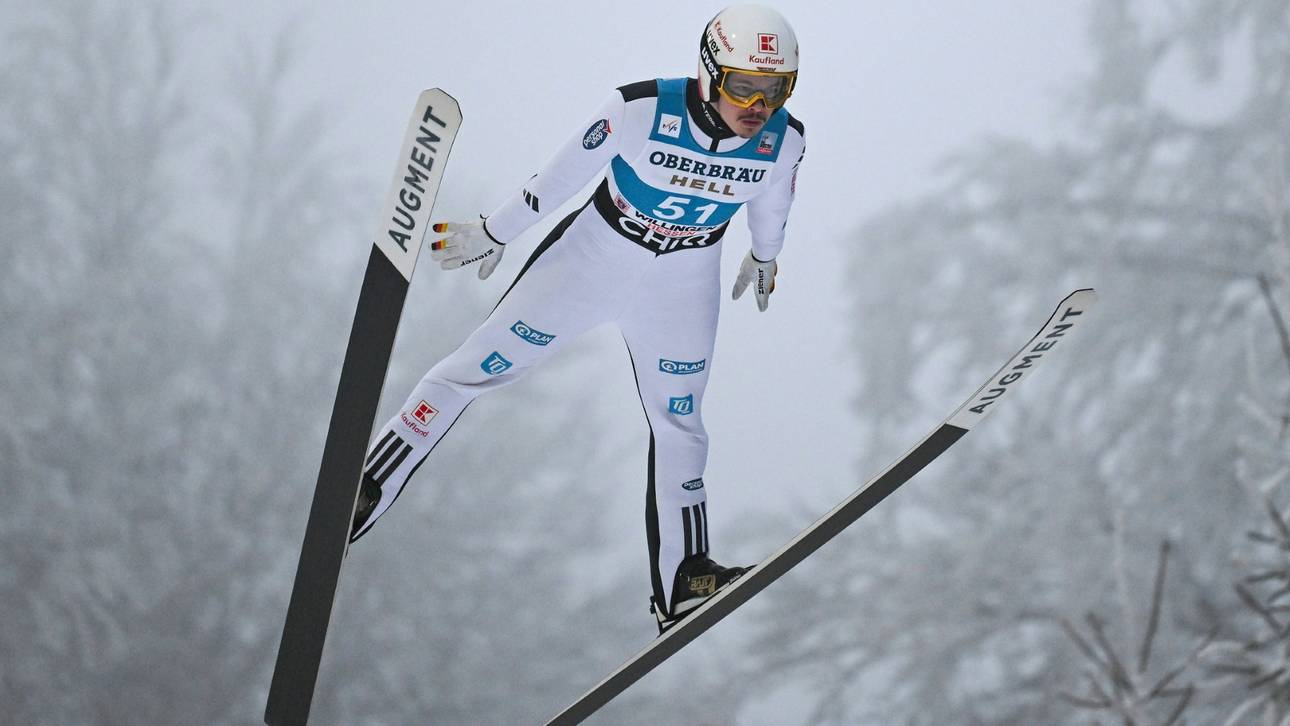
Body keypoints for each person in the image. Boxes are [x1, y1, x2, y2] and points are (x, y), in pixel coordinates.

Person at [351, 4, 806, 633]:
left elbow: (773, 203)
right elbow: (558, 178)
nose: (758, 106)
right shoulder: (640, 108)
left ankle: (683, 578)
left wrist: (765, 255)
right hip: (592, 259)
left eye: (775, 90)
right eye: (743, 86)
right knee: (471, 370)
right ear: (709, 72)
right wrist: (495, 231)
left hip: (682, 282)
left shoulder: (786, 140)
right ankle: (368, 487)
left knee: (681, 423)